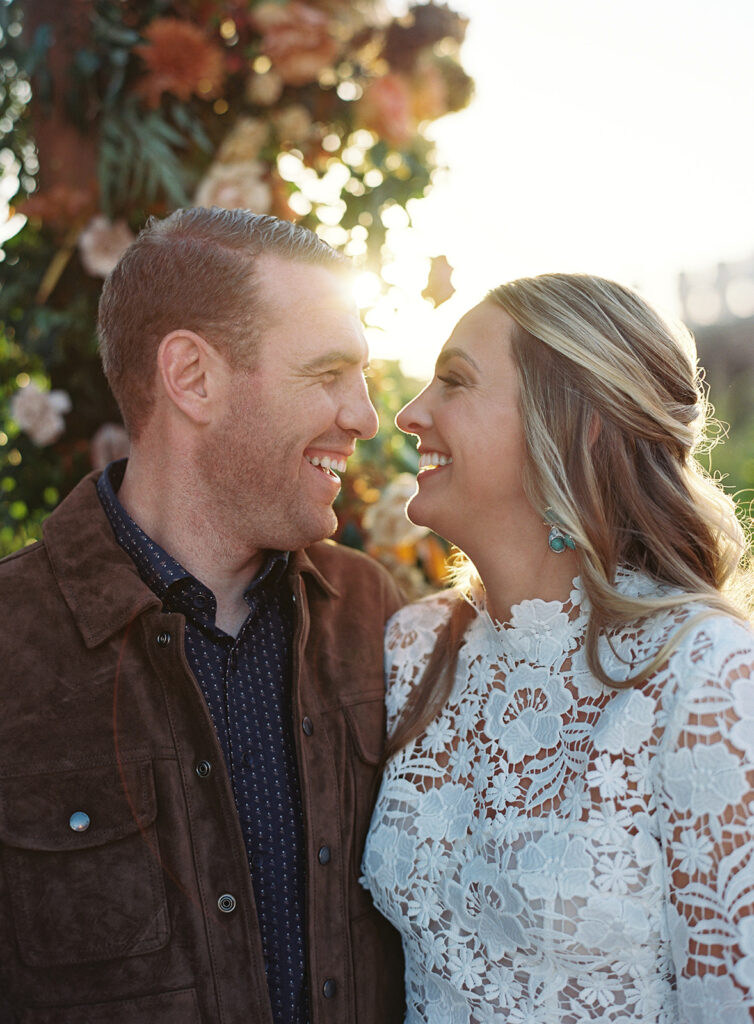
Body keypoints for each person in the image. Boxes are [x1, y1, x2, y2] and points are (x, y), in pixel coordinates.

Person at [0, 208, 405, 1023]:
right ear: (192, 377)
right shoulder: (13, 645)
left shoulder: (376, 615)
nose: (364, 417)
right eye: (328, 372)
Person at [361, 273, 754, 1023]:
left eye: (455, 382)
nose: (410, 415)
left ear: (577, 425)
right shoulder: (412, 648)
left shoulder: (704, 676)